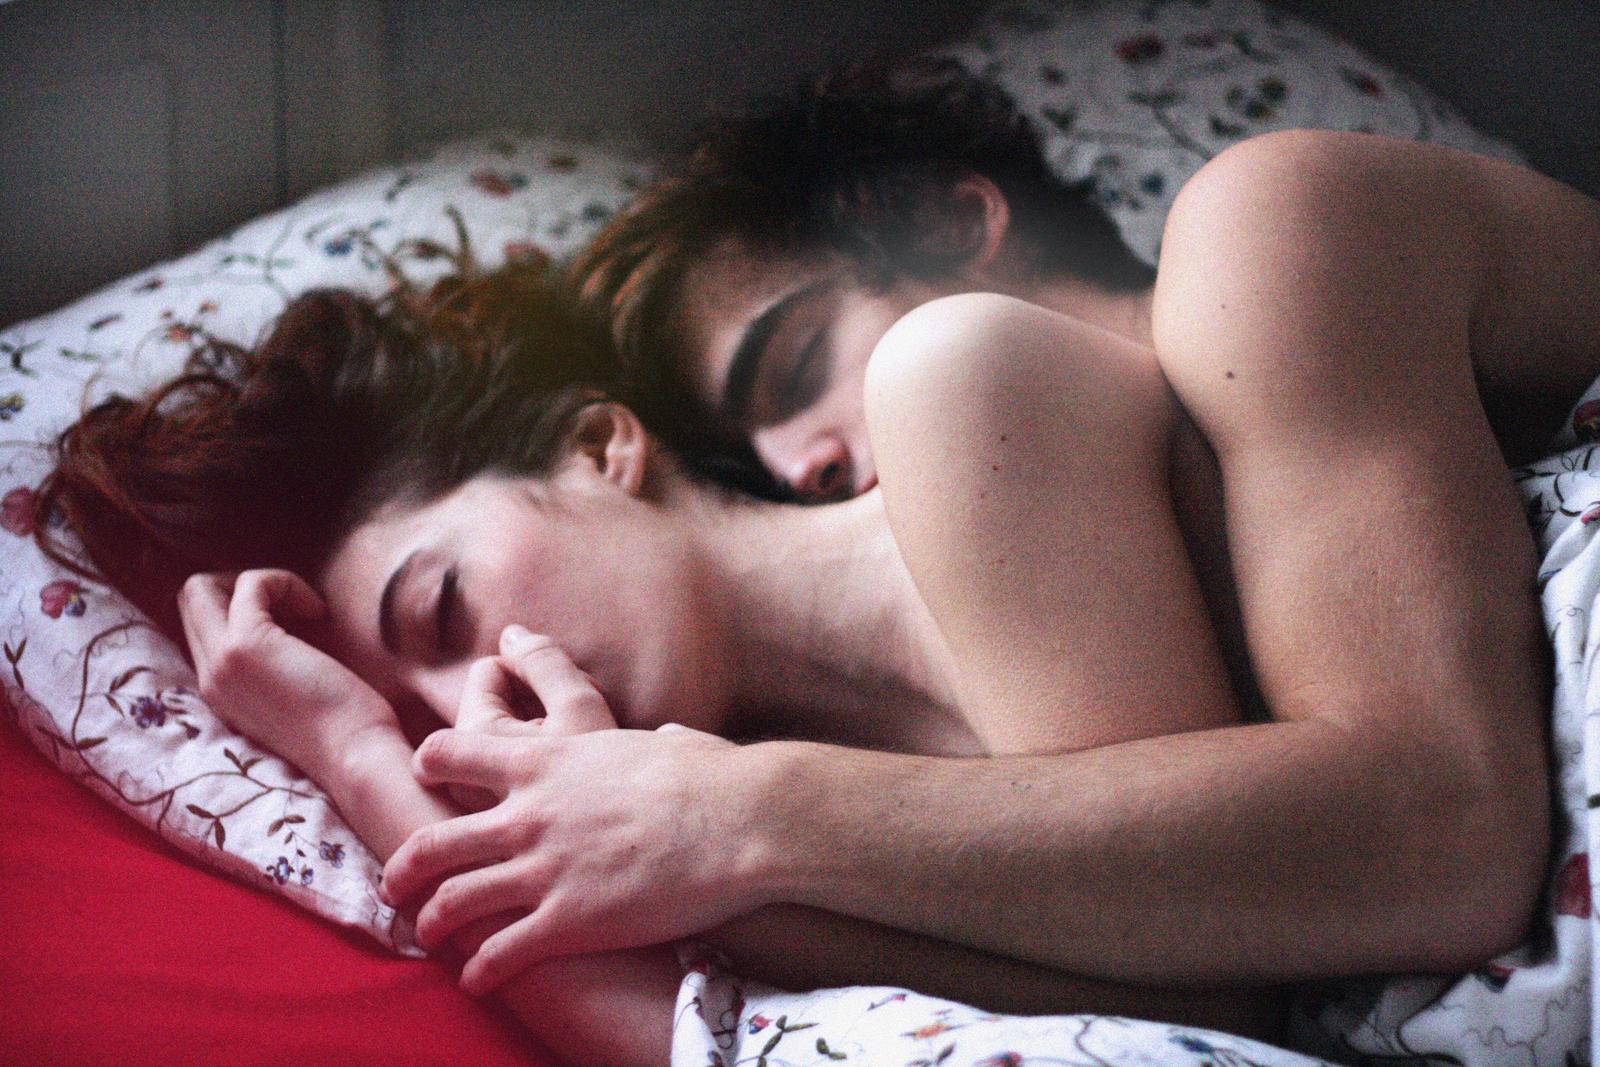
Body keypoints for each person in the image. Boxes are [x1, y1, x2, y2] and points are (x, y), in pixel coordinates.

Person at [32, 259, 1281, 1067]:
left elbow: (1234, 976)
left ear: (595, 446)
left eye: (445, 607)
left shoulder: (964, 394)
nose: (478, 709)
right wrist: (354, 751)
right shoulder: (737, 843)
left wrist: (739, 837)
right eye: (425, 724)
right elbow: (685, 1043)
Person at [541, 58, 1589, 995]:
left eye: (797, 362)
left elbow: (1446, 830)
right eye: (759, 462)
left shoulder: (1269, 228)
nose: (795, 466)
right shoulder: (1031, 641)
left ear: (948, 223)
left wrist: (755, 814)